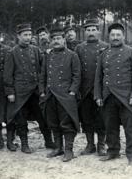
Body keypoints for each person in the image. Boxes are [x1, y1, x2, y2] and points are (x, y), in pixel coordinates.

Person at [94, 22, 132, 166]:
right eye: (112, 35)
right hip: (108, 97)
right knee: (110, 126)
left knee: (130, 128)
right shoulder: (104, 54)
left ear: (123, 36)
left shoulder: (131, 53)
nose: (115, 37)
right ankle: (113, 151)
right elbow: (98, 78)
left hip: (127, 98)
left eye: (118, 35)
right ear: (108, 36)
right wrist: (98, 96)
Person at [4, 23, 55, 154]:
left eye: (29, 35)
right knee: (21, 120)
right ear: (18, 36)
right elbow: (8, 75)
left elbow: (44, 66)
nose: (27, 37)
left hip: (35, 91)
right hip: (19, 93)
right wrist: (10, 92)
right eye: (24, 35)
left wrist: (50, 54)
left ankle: (48, 141)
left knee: (42, 117)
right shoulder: (12, 52)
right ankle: (24, 144)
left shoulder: (35, 50)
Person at [39, 27, 81, 162]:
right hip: (50, 94)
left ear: (64, 40)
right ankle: (58, 148)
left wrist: (72, 91)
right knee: (53, 123)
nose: (56, 41)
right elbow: (43, 75)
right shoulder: (48, 55)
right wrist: (42, 91)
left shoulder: (72, 55)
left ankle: (69, 150)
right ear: (51, 41)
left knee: (66, 123)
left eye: (59, 39)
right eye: (54, 39)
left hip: (65, 96)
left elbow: (77, 75)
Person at [74, 19, 108, 156]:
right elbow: (76, 69)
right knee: (86, 118)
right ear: (84, 32)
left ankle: (101, 145)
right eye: (88, 30)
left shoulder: (106, 46)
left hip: (100, 90)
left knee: (101, 118)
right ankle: (90, 144)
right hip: (84, 90)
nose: (91, 33)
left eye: (94, 30)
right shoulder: (79, 48)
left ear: (98, 31)